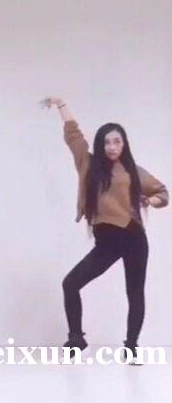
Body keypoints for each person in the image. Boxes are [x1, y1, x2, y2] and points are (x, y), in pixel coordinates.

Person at [43, 97, 168, 362]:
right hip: (106, 241)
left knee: (135, 293)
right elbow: (74, 137)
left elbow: (162, 193)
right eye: (107, 142)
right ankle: (76, 340)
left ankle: (131, 347)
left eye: (117, 141)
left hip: (133, 237)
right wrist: (62, 105)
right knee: (71, 284)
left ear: (124, 144)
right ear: (100, 144)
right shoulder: (88, 164)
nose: (112, 147)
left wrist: (150, 201)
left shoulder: (133, 171)